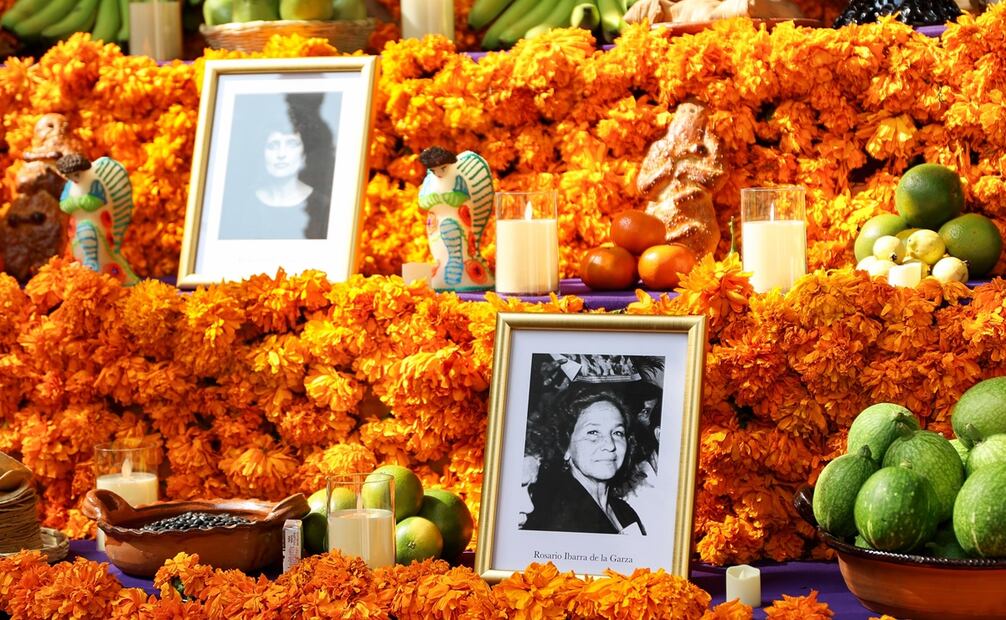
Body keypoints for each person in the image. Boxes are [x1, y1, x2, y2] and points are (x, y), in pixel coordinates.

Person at [522, 385, 647, 535]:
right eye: (593, 432)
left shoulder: (624, 512)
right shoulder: (555, 519)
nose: (610, 445)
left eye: (617, 433)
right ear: (565, 446)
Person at [218, 93, 335, 240]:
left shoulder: (322, 207)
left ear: (304, 151)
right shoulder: (242, 205)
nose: (281, 154)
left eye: (291, 144)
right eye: (273, 145)